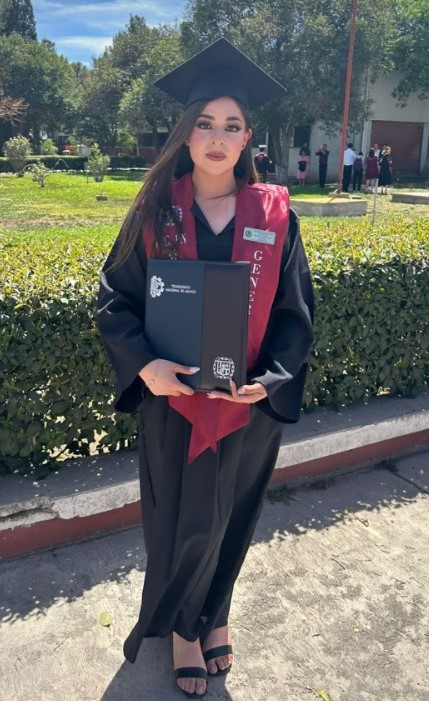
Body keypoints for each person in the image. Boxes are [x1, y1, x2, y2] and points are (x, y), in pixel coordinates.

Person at [97, 38, 314, 699]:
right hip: (176, 403)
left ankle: (214, 611)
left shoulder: (275, 213)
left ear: (248, 134)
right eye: (204, 123)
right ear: (185, 129)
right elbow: (114, 298)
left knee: (233, 514)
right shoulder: (156, 210)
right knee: (180, 520)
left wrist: (272, 381)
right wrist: (146, 368)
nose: (217, 139)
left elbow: (293, 312)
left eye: (231, 125)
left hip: (246, 405)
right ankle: (184, 629)